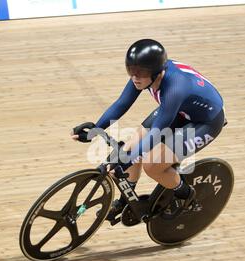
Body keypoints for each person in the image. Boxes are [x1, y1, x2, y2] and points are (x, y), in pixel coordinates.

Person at [71, 39, 226, 219]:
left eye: (140, 73)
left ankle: (185, 194)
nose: (135, 77)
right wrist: (95, 130)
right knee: (128, 148)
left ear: (158, 73)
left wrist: (127, 161)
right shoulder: (144, 74)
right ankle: (126, 199)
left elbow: (156, 132)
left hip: (205, 122)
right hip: (179, 110)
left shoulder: (175, 87)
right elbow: (122, 104)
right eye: (131, 71)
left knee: (152, 165)